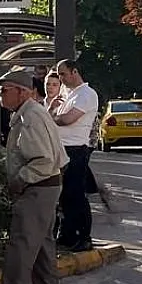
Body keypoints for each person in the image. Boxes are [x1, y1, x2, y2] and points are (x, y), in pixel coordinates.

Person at [0, 70, 69, 284]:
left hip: (37, 187)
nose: (0, 94)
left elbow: (43, 159)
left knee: (22, 240)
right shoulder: (31, 113)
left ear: (22, 92)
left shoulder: (29, 117)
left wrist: (20, 180)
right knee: (40, 243)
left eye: (5, 90)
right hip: (46, 186)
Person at [49, 59, 99, 252]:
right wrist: (53, 110)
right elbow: (53, 117)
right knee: (63, 196)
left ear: (74, 72)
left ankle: (84, 236)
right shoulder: (67, 94)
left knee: (76, 194)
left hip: (76, 149)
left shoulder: (86, 94)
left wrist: (54, 117)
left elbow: (67, 120)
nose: (60, 78)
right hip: (61, 148)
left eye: (63, 74)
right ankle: (68, 234)